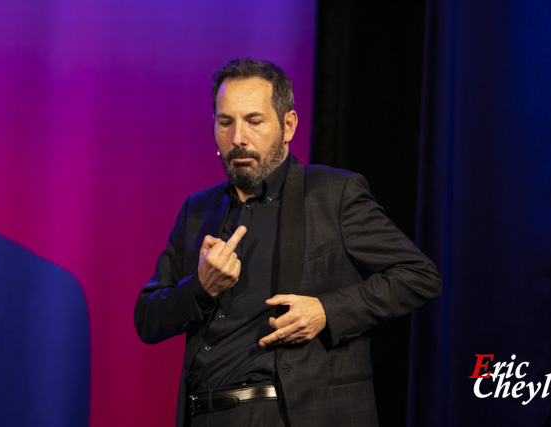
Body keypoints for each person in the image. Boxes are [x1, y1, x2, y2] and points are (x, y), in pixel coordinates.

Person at [134, 58, 442, 427]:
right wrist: (201, 288)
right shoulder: (197, 210)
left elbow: (418, 275)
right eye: (225, 122)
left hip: (291, 412)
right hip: (207, 413)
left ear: (288, 125)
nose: (238, 139)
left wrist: (327, 311)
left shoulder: (332, 193)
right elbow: (148, 319)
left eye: (254, 121)